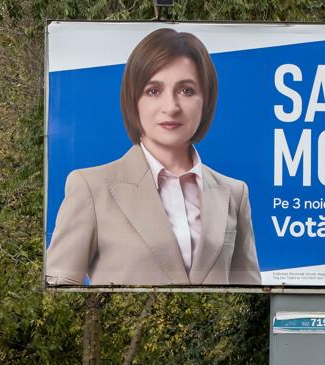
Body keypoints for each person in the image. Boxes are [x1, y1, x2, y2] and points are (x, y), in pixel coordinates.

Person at [45, 28, 260, 288]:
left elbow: (250, 296)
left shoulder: (234, 194)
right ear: (133, 100)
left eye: (187, 90)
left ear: (206, 100)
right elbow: (58, 293)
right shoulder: (91, 187)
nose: (171, 107)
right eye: (153, 91)